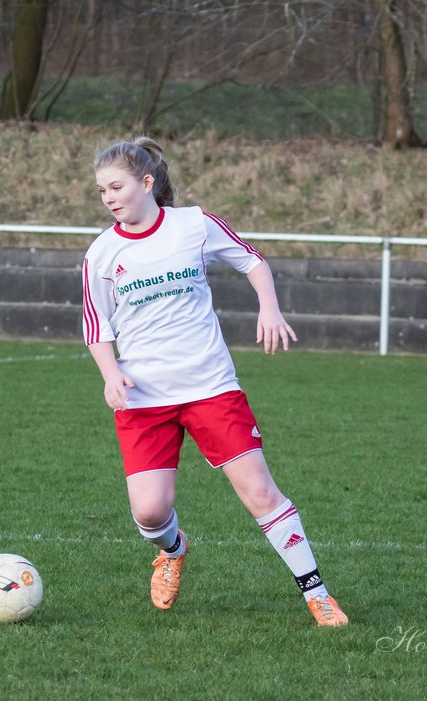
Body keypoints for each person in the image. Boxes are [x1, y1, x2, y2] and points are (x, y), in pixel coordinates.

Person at [80, 137, 348, 627]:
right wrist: (110, 372)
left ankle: (318, 595)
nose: (109, 198)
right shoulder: (101, 254)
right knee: (150, 513)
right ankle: (173, 549)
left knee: (261, 494)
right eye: (101, 191)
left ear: (146, 183)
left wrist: (269, 307)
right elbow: (97, 325)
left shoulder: (193, 224)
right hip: (143, 398)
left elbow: (252, 260)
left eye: (116, 187)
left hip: (210, 387)